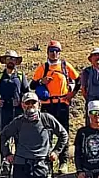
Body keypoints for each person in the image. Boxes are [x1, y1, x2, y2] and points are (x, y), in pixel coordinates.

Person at [31, 40, 78, 171]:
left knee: (64, 133)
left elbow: (78, 80)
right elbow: (32, 85)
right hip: (47, 106)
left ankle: (63, 162)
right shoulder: (43, 68)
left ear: (59, 53)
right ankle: (48, 164)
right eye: (51, 51)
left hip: (62, 104)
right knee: (47, 134)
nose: (54, 53)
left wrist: (72, 94)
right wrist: (42, 81)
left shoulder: (65, 66)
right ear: (47, 52)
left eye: (56, 51)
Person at [0, 50, 27, 130]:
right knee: (4, 135)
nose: (11, 61)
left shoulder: (21, 76)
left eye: (13, 59)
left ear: (16, 61)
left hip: (18, 110)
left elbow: (26, 92)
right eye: (8, 59)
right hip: (3, 111)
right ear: (5, 61)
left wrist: (21, 101)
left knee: (18, 136)